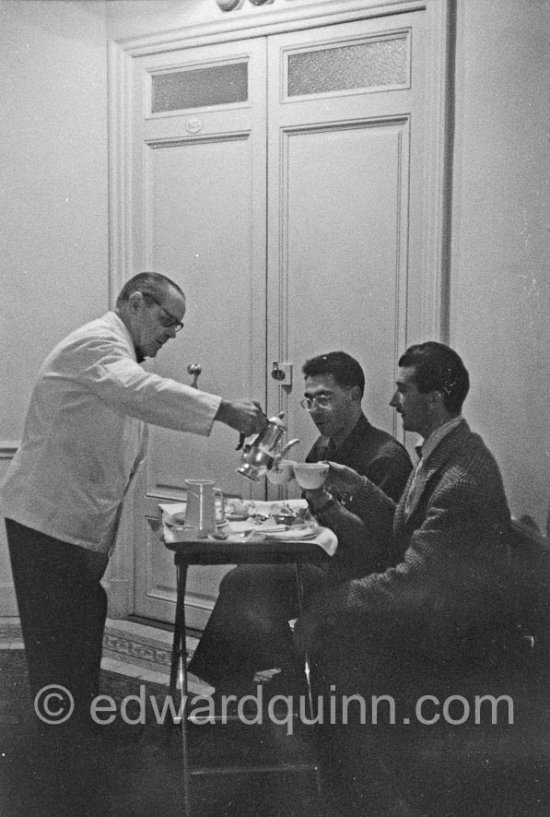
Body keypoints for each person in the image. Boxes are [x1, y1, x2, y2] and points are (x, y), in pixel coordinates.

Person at [0, 272, 266, 733]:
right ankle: (60, 754)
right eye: (168, 321)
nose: (170, 335)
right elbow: (141, 394)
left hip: (70, 521)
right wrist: (224, 410)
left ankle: (75, 727)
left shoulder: (117, 357)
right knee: (60, 636)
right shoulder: (98, 344)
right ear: (137, 302)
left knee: (80, 622)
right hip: (46, 519)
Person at [293, 342, 515, 816]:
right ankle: (348, 771)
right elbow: (409, 529)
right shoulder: (447, 451)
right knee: (327, 621)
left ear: (434, 399)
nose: (393, 402)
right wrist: (360, 488)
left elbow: (415, 577)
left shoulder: (461, 475)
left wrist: (337, 599)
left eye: (402, 390)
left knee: (332, 629)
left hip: (451, 634)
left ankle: (359, 787)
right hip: (436, 611)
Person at [187, 351, 412, 693]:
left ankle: (246, 680)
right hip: (319, 559)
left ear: (354, 395)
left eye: (325, 397)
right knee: (245, 565)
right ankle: (275, 671)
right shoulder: (323, 446)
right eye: (309, 399)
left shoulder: (387, 457)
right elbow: (308, 513)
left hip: (357, 572)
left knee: (244, 582)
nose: (315, 409)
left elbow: (377, 546)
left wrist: (321, 504)